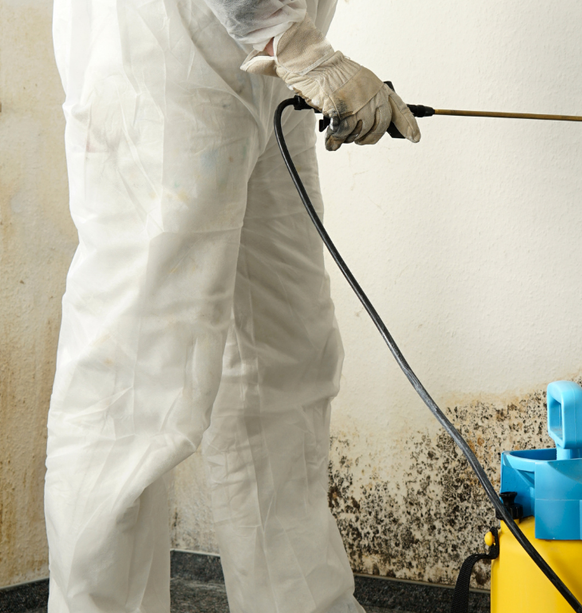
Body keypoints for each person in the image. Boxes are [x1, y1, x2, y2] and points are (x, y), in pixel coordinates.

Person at [47, 0, 417, 610]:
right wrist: (286, 36)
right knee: (136, 379)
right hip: (166, 55)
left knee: (285, 353)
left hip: (266, 61)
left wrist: (293, 44)